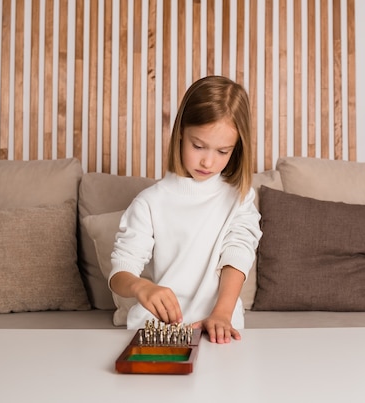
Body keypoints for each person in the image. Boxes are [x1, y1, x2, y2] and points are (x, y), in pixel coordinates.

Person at [108, 75, 262, 344]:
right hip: (159, 332)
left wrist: (222, 314)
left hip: (221, 329)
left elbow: (238, 253)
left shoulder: (239, 197)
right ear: (180, 132)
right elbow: (121, 271)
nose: (208, 161)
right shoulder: (150, 202)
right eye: (198, 145)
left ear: (236, 149)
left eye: (223, 151)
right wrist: (140, 285)